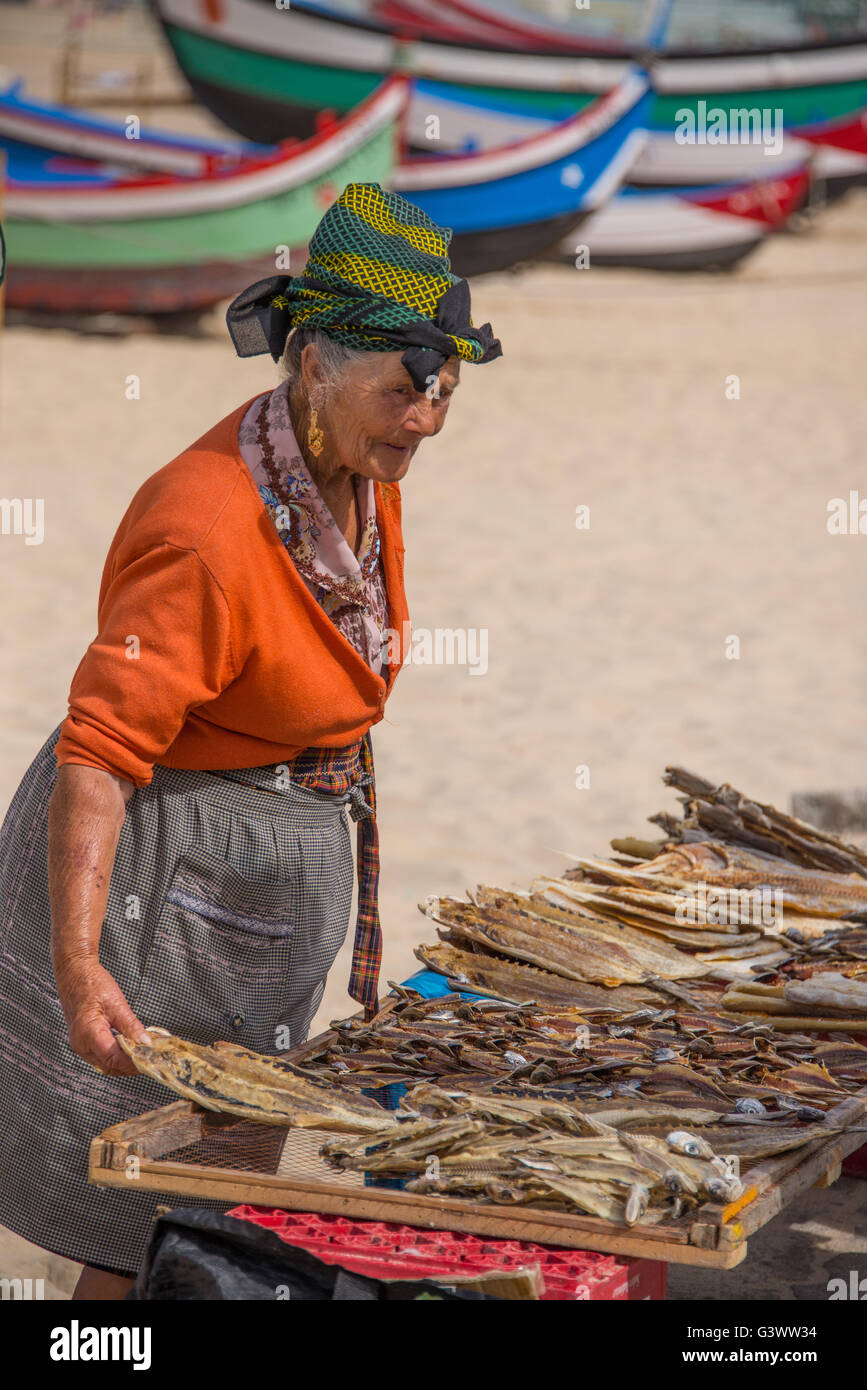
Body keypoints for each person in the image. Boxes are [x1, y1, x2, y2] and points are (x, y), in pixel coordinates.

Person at [0, 182, 502, 1298]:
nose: (426, 415)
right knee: (134, 1211)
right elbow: (100, 750)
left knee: (208, 1190)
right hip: (161, 872)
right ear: (313, 360)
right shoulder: (208, 524)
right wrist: (82, 974)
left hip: (265, 862)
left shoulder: (353, 462)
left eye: (446, 388)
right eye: (405, 387)